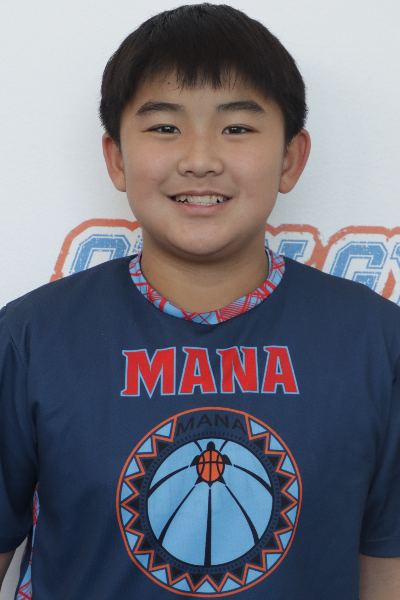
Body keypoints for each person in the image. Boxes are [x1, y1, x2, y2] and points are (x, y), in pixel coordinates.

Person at [1, 4, 399, 599]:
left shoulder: (375, 341)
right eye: (165, 127)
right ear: (116, 157)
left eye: (237, 128)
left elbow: (387, 567)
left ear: (290, 158)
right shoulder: (32, 337)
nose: (200, 159)